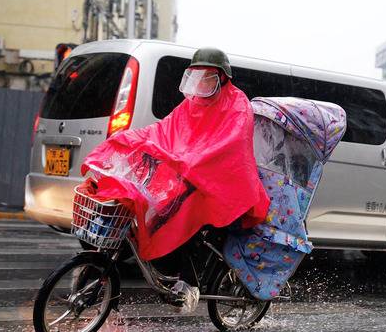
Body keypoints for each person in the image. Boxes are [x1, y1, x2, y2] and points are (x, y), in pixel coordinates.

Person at [81, 47, 270, 313]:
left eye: (208, 77)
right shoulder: (192, 103)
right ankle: (171, 276)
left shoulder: (237, 104)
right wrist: (131, 139)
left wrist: (193, 160)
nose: (201, 83)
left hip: (225, 183)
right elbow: (164, 128)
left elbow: (231, 144)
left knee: (188, 221)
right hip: (192, 174)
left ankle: (189, 283)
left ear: (223, 78)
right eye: (197, 76)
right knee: (157, 210)